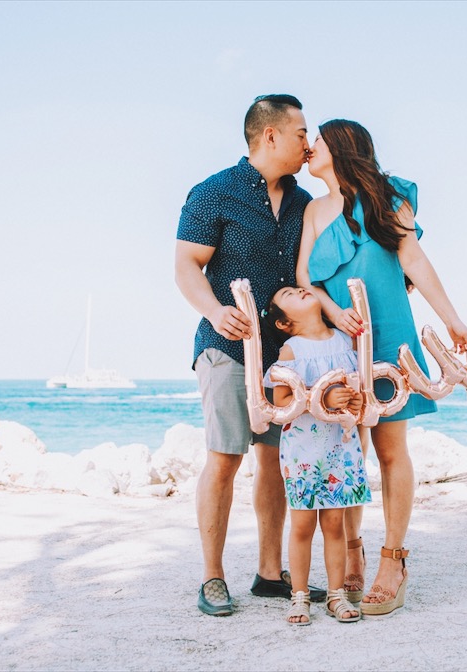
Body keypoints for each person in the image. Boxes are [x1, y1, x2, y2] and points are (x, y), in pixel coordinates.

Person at [295, 119, 467, 616]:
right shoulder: (313, 210)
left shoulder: (385, 196)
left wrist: (452, 319)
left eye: (319, 141)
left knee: (390, 448)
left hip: (390, 332)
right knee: (345, 448)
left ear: (342, 147)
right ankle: (351, 554)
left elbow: (414, 259)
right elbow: (303, 279)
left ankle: (393, 561)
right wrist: (333, 314)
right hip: (338, 341)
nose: (309, 147)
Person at [175, 94, 325, 617]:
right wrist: (216, 312)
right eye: (301, 132)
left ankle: (269, 575)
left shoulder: (306, 203)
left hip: (287, 358)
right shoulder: (213, 192)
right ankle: (212, 578)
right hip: (226, 348)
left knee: (276, 462)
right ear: (270, 136)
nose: (308, 142)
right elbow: (186, 267)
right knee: (225, 458)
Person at [261, 285, 370, 625]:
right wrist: (319, 399)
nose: (299, 290)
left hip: (341, 447)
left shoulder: (344, 340)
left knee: (335, 524)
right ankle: (300, 596)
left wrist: (351, 400)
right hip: (304, 451)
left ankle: (336, 595)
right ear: (283, 323)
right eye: (289, 295)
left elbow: (358, 388)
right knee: (303, 525)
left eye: (298, 288)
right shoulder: (291, 351)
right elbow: (280, 403)